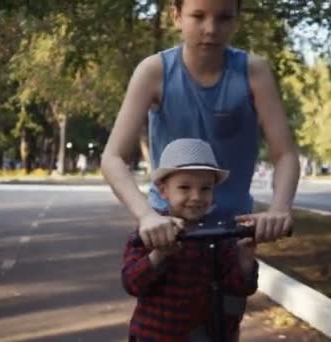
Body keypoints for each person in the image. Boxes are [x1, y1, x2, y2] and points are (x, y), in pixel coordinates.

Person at [101, 0, 299, 251]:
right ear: (176, 16)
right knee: (161, 287)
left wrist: (279, 209)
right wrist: (146, 215)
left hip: (232, 231)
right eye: (198, 16)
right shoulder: (154, 71)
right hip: (169, 229)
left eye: (224, 18)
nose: (211, 28)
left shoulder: (253, 72)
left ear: (236, 20)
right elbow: (112, 157)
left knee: (233, 289)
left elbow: (285, 154)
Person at [122, 138, 259, 341]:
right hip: (155, 335)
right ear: (164, 190)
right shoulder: (151, 230)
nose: (196, 196)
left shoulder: (219, 233)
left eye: (205, 189)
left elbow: (240, 288)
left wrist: (245, 260)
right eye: (185, 188)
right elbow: (131, 283)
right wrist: (159, 254)